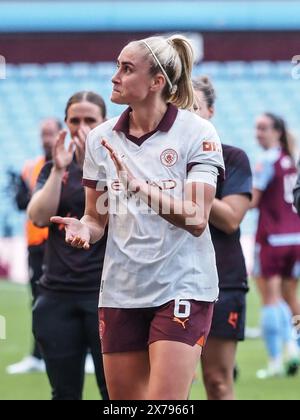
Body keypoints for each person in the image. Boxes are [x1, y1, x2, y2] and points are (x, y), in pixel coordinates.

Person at [51, 34, 225, 400]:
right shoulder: (101, 139)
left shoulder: (198, 133)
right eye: (117, 66)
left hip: (183, 285)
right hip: (121, 288)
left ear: (156, 82)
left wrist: (140, 187)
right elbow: (96, 217)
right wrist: (84, 228)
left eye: (126, 69)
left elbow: (196, 218)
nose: (114, 76)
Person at [27, 91, 109, 400]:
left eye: (91, 120)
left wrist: (94, 162)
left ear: (105, 123)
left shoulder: (116, 167)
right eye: (75, 120)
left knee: (115, 393)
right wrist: (60, 169)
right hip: (57, 294)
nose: (81, 127)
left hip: (105, 295)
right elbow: (37, 217)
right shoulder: (52, 168)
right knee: (63, 393)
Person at [193, 77, 252, 400]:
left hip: (222, 280)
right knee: (173, 384)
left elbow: (230, 219)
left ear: (211, 111)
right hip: (170, 281)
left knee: (217, 382)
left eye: (194, 107)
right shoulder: (158, 161)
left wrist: (192, 185)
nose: (186, 115)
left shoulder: (232, 158)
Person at [7, 118, 61, 375]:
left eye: (50, 133)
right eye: (43, 134)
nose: (46, 138)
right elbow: (22, 204)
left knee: (71, 300)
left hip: (60, 243)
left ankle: (83, 351)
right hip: (36, 244)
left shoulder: (69, 164)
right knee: (39, 302)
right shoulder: (31, 167)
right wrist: (18, 189)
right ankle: (37, 355)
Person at [252, 113, 300, 379]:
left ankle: (277, 360)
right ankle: (295, 348)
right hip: (296, 237)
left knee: (270, 297)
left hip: (272, 238)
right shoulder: (292, 160)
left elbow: (252, 200)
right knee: (290, 298)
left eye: (262, 129)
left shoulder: (267, 160)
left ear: (277, 132)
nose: (258, 134)